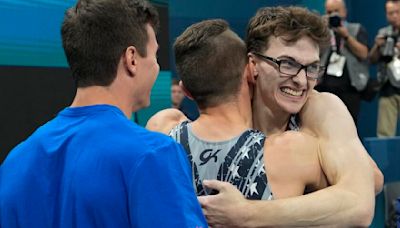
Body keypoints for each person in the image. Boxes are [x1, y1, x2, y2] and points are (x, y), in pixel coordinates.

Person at [148, 6, 383, 227]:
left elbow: (362, 201)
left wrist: (247, 213)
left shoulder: (320, 106)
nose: (301, 81)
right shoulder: (225, 103)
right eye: (287, 64)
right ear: (253, 64)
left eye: (311, 68)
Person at [0, 0, 207, 227]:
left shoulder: (15, 162)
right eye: (155, 56)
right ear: (132, 59)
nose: (157, 67)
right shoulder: (153, 155)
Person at [315, 0, 369, 124]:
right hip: (325, 86)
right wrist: (320, 31)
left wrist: (346, 36)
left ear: (344, 11)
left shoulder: (356, 29)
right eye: (329, 12)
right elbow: (315, 53)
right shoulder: (322, 31)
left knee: (349, 124)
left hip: (349, 87)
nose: (333, 15)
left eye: (336, 11)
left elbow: (363, 54)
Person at [369, 0, 400, 137]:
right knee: (384, 134)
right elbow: (372, 59)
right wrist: (377, 46)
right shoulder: (383, 33)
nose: (394, 16)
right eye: (390, 13)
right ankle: (385, 159)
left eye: (397, 12)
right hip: (388, 87)